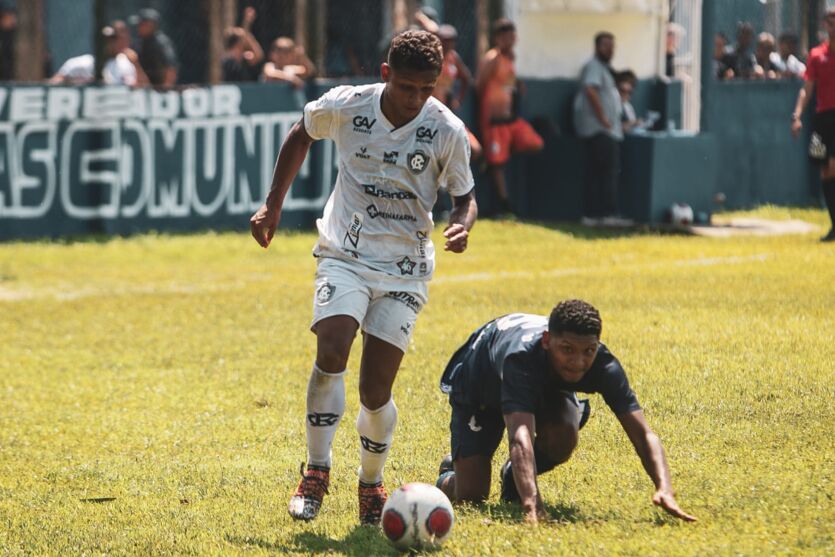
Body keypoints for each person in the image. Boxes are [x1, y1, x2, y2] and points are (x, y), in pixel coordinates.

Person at [249, 30, 478, 525]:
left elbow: (465, 195)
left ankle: (371, 485)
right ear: (385, 75)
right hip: (345, 253)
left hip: (404, 269)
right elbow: (301, 133)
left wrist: (462, 222)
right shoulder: (349, 106)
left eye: (427, 89)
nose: (416, 98)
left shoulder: (447, 130)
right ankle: (316, 472)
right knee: (331, 348)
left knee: (376, 391)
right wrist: (272, 206)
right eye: (407, 87)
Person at [434, 300, 698, 524]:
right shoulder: (521, 358)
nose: (578, 362)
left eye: (588, 351)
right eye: (568, 350)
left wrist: (664, 487)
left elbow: (643, 435)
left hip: (543, 384)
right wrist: (532, 505)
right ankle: (450, 472)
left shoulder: (603, 365)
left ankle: (514, 478)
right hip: (482, 384)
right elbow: (520, 436)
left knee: (564, 434)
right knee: (471, 494)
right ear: (548, 340)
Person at [476, 18, 544, 215]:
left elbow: (508, 82)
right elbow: (480, 85)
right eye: (505, 37)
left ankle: (494, 159)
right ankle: (505, 204)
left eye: (512, 37)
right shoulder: (492, 58)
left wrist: (517, 86)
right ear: (497, 38)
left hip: (510, 119)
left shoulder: (510, 59)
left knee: (535, 142)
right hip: (493, 120)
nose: (510, 41)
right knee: (498, 163)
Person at [573, 32, 631, 226]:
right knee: (605, 172)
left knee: (601, 172)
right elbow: (590, 90)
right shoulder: (594, 67)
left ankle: (596, 214)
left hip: (606, 130)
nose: (610, 50)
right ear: (597, 47)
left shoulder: (606, 69)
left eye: (612, 46)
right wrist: (603, 119)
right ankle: (604, 214)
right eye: (606, 46)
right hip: (598, 130)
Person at [792, 8, 835, 242]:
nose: (832, 26)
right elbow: (807, 87)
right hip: (821, 119)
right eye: (829, 22)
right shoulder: (817, 55)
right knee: (823, 169)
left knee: (833, 165)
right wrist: (797, 115)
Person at [431, 24, 481, 160]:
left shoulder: (454, 58)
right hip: (430, 114)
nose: (448, 43)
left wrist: (458, 99)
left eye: (451, 40)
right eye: (444, 39)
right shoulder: (431, 57)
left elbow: (466, 78)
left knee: (474, 149)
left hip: (447, 114)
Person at [130, 8, 177, 88]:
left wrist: (165, 89)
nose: (138, 27)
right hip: (143, 88)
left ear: (151, 25)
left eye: (142, 24)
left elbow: (171, 68)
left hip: (159, 89)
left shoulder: (162, 43)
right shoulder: (139, 42)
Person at [221, 7, 263, 83]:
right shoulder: (226, 61)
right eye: (245, 38)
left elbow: (258, 55)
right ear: (237, 43)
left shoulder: (244, 58)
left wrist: (247, 25)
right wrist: (246, 25)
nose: (247, 40)